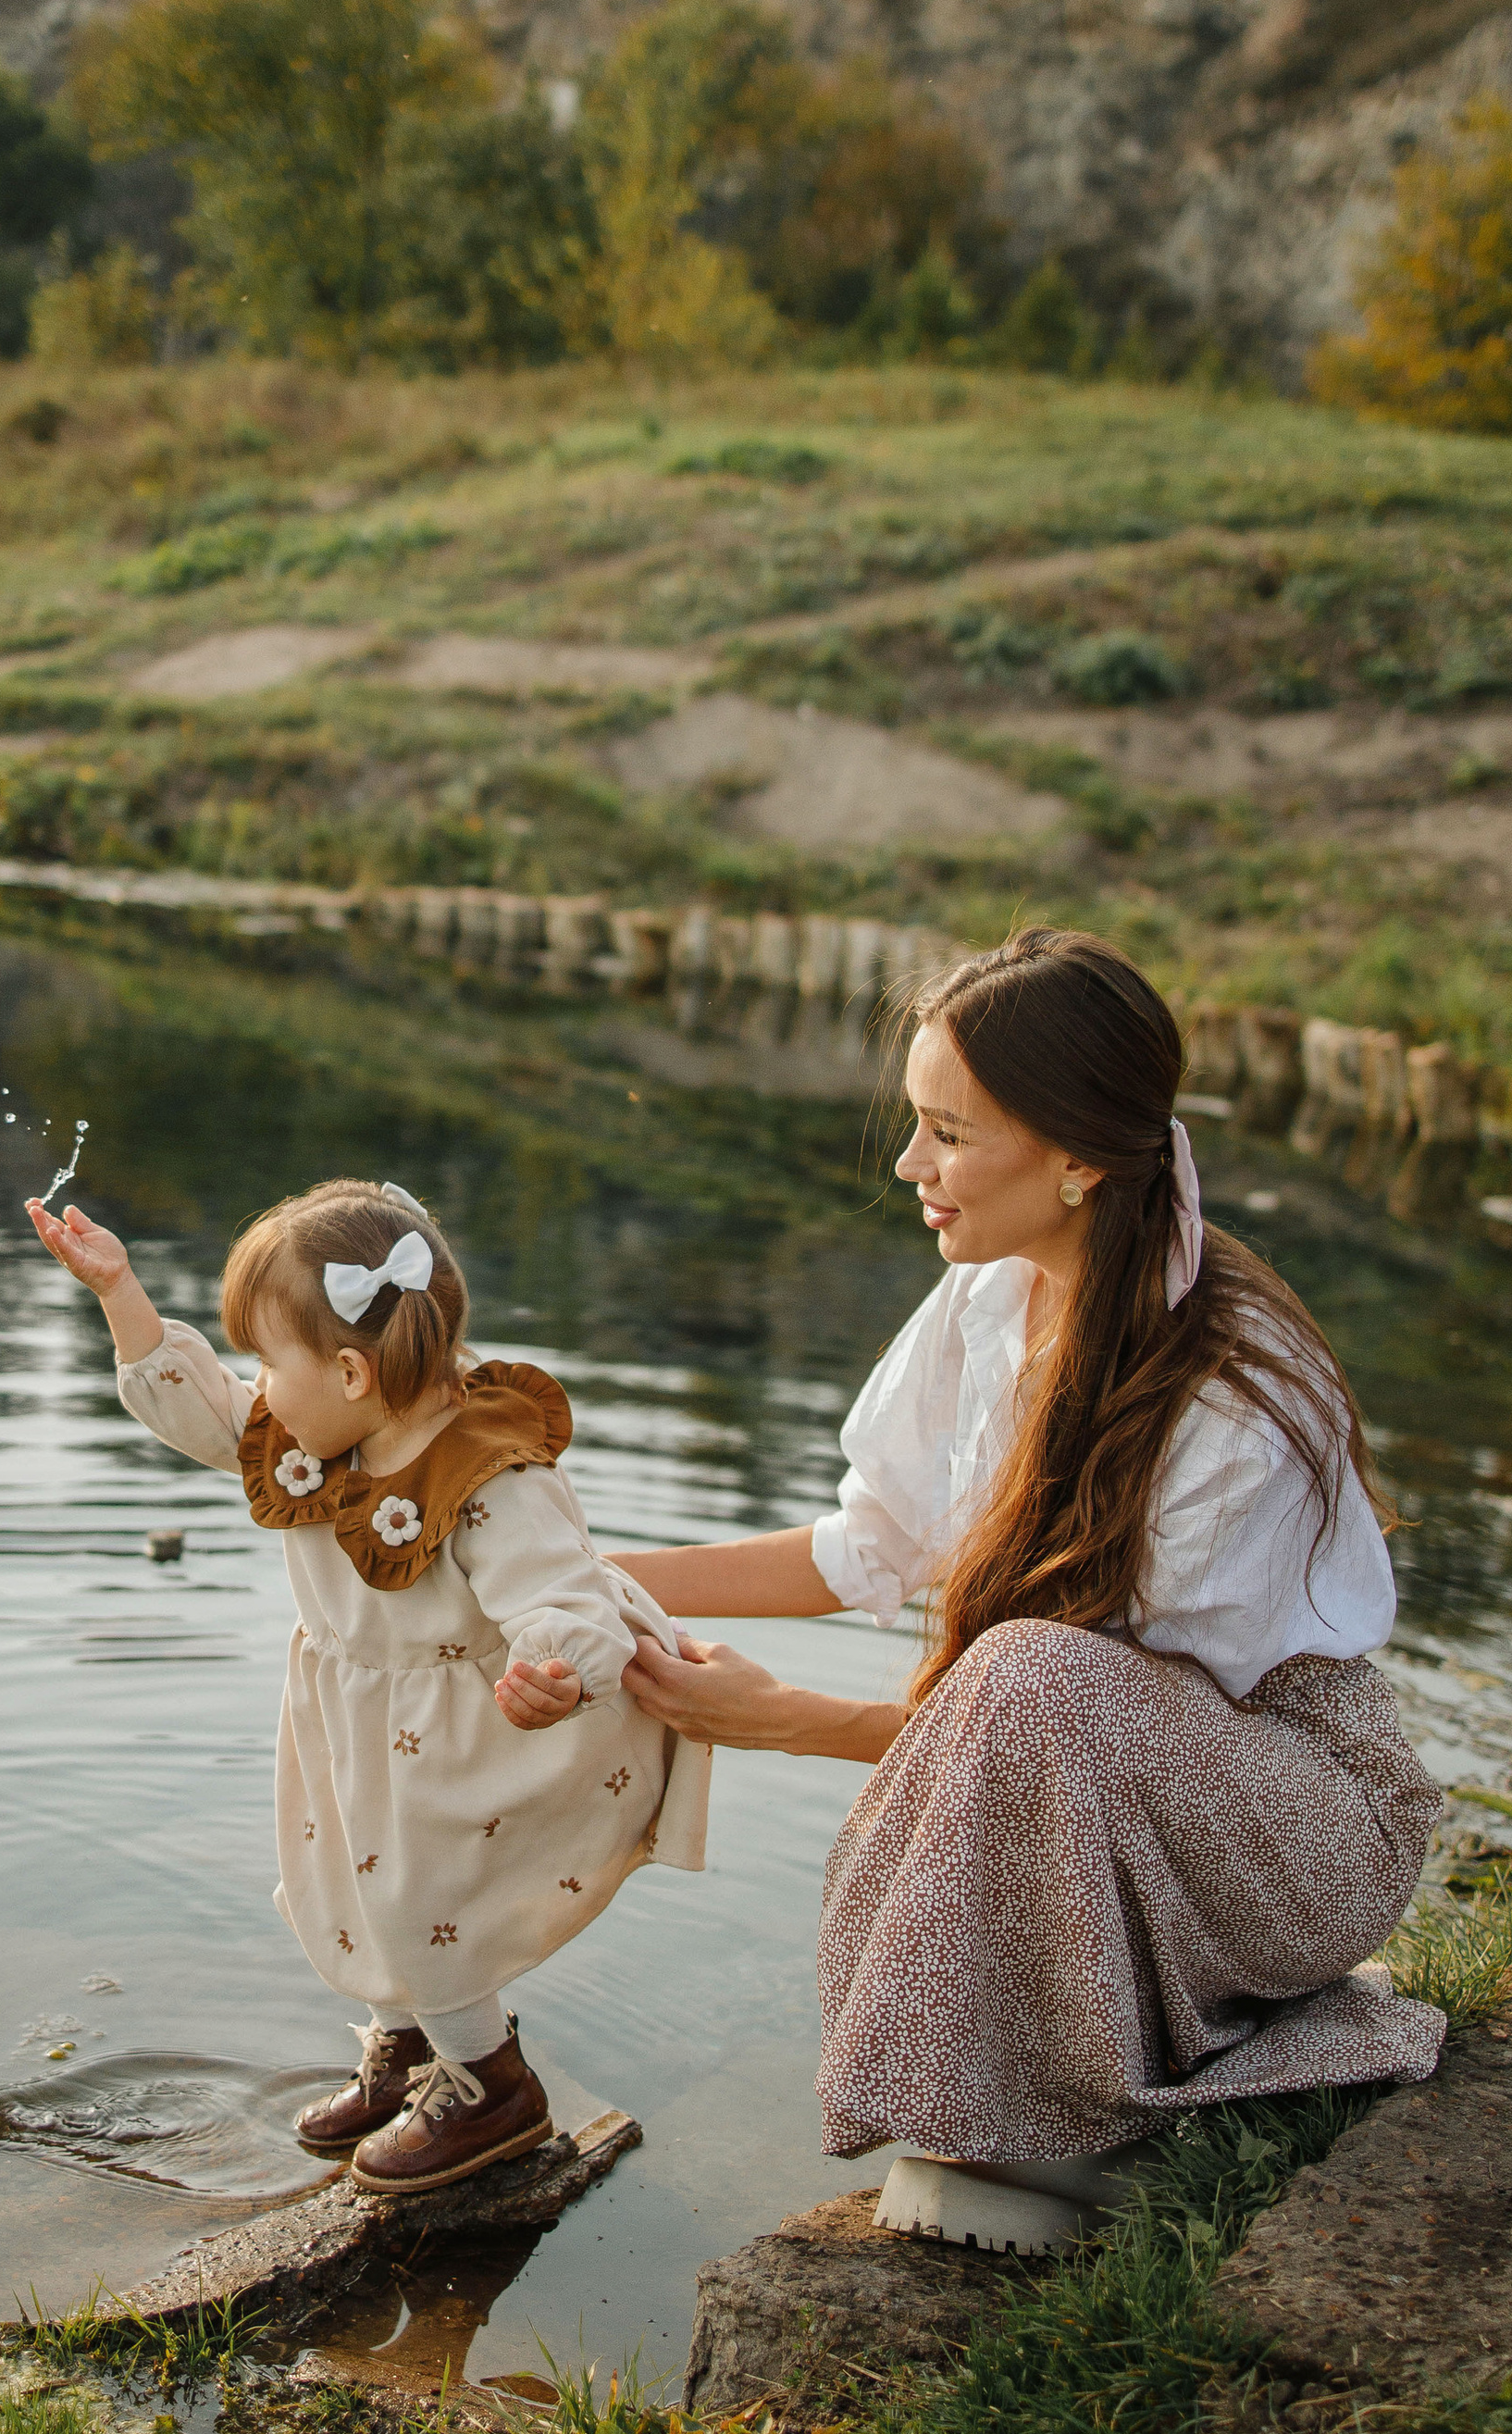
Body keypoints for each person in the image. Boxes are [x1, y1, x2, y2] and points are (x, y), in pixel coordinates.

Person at [617, 928, 1444, 2257]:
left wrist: (787, 1720)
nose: (910, 1166)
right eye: (917, 1125)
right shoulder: (996, 1296)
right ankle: (1069, 2107)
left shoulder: (1238, 1388)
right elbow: (868, 1545)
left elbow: (1069, 1747)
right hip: (1125, 1790)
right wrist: (597, 1578)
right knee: (1018, 1676)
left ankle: (1098, 2126)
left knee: (1024, 1674)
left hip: (1297, 1819)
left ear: (1078, 1159)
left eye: (948, 1132)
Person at [28, 1175, 704, 2197]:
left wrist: (557, 1668)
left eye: (269, 1361)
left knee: (413, 1896)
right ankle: (407, 2051)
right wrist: (120, 1292)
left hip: (467, 1722)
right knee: (355, 1875)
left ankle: (491, 2086)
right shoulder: (320, 1434)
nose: (257, 1388)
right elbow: (207, 1414)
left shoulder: (487, 1472)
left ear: (349, 1370)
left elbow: (563, 1592)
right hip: (358, 1714)